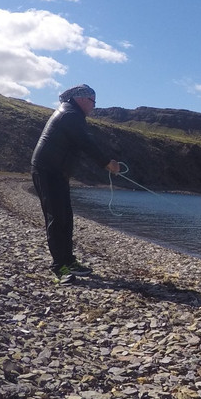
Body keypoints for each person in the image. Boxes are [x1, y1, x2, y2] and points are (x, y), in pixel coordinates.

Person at [31, 84, 120, 284]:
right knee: (56, 218)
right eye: (93, 102)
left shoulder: (71, 113)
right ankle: (59, 267)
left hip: (57, 173)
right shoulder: (70, 114)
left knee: (66, 218)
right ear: (81, 99)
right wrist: (107, 163)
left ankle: (68, 261)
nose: (94, 106)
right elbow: (86, 143)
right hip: (47, 172)